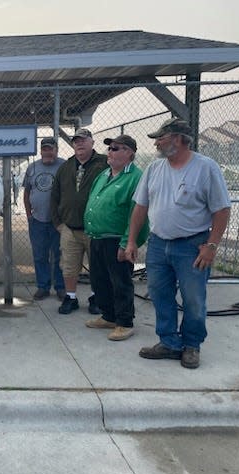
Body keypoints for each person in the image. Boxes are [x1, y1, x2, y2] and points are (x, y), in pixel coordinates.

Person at [125, 118, 231, 369]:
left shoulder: (206, 168)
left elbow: (222, 209)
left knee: (194, 298)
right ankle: (169, 343)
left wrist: (212, 246)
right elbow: (140, 207)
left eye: (161, 138)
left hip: (192, 246)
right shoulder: (154, 169)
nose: (157, 143)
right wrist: (131, 241)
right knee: (160, 295)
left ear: (178, 138)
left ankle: (192, 345)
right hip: (159, 244)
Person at [84, 135, 148, 341]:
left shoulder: (136, 178)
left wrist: (127, 243)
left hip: (117, 239)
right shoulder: (104, 175)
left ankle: (124, 322)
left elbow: (136, 214)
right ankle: (109, 316)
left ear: (129, 153)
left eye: (115, 148)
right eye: (109, 148)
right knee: (99, 280)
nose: (109, 152)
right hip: (97, 237)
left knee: (120, 282)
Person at [51, 128, 108, 314]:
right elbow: (55, 195)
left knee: (98, 266)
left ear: (92, 142)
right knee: (68, 266)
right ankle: (71, 297)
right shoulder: (65, 167)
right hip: (69, 228)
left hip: (95, 228)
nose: (80, 143)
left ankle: (96, 297)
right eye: (76, 141)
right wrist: (58, 222)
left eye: (84, 140)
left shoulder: (104, 164)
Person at [23, 137, 66, 301]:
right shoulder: (32, 167)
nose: (48, 152)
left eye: (51, 149)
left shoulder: (64, 166)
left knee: (59, 255)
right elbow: (26, 193)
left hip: (58, 221)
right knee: (40, 255)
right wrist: (28, 215)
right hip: (37, 220)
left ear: (56, 150)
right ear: (41, 151)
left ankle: (60, 287)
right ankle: (43, 286)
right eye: (45, 149)